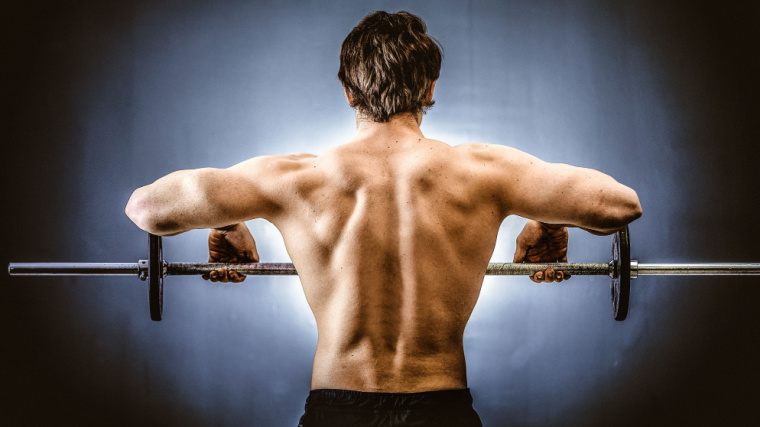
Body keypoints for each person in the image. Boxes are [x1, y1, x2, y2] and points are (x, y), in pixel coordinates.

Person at [125, 10, 642, 427]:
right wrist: (551, 219)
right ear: (431, 88)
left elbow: (147, 208)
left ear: (348, 91)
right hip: (442, 410)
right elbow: (620, 205)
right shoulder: (485, 172)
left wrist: (226, 220)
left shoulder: (294, 179)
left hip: (335, 410)